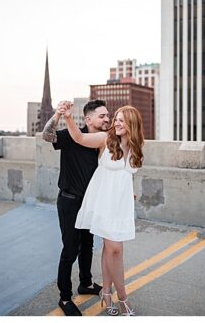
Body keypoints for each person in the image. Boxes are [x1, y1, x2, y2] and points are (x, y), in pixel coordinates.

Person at [62, 105, 144, 316]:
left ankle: (107, 294)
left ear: (132, 124)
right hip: (104, 203)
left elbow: (127, 175)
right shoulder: (105, 140)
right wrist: (69, 118)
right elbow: (79, 137)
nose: (116, 123)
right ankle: (123, 298)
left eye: (121, 120)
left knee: (112, 250)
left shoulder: (136, 146)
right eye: (116, 119)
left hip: (121, 204)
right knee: (115, 249)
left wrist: (130, 193)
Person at [40, 100, 109, 316]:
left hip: (90, 202)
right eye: (102, 116)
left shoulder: (102, 140)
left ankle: (86, 284)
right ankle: (65, 297)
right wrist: (59, 114)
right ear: (88, 119)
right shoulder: (71, 134)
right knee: (70, 250)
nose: (106, 119)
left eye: (108, 115)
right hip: (70, 201)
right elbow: (46, 136)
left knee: (87, 245)